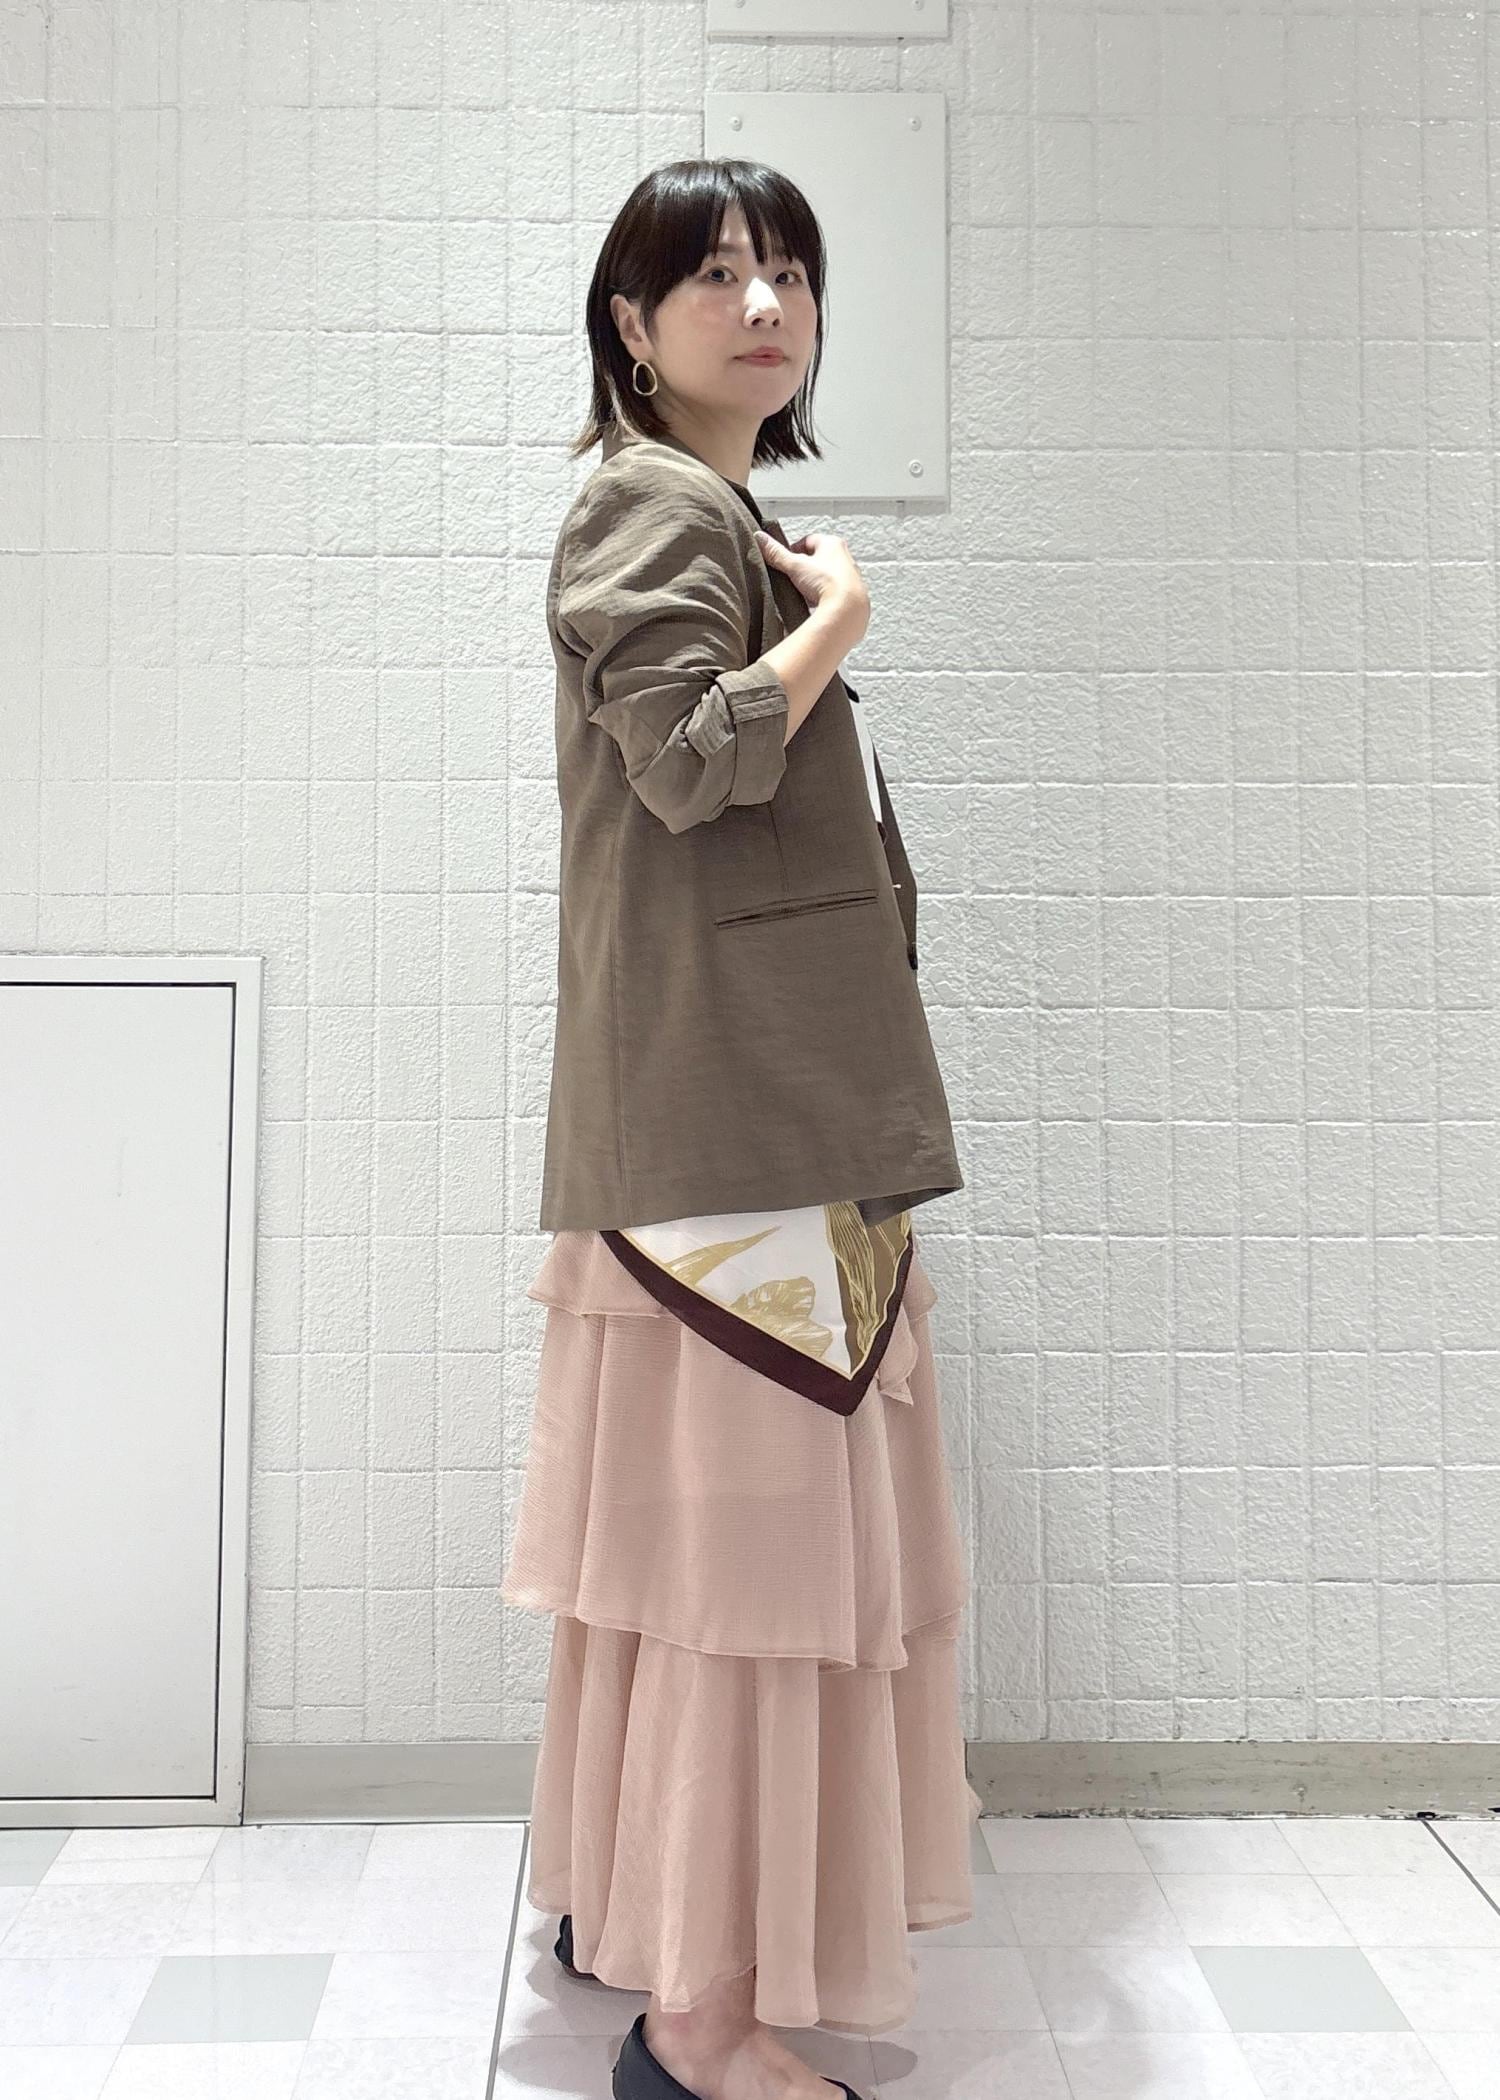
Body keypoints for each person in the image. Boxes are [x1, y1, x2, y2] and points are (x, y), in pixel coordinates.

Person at [501, 158, 978, 2100]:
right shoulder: (652, 503)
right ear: (632, 324)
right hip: (735, 1138)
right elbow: (695, 765)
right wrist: (839, 618)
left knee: (706, 1560)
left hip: (737, 1119)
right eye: (713, 275)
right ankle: (697, 2022)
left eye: (789, 270)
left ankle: (635, 1914)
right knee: (752, 1569)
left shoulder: (705, 508)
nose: (765, 302)